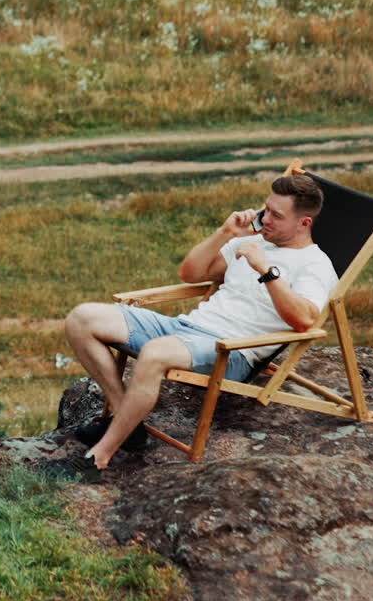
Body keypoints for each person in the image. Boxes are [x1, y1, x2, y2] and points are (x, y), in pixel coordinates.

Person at [62, 172, 338, 471]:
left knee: (155, 353)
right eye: (266, 209)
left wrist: (265, 270)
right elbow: (191, 273)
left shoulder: (315, 264)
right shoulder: (254, 241)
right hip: (188, 328)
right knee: (82, 318)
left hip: (231, 351)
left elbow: (304, 320)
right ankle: (125, 417)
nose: (265, 218)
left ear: (304, 223)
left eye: (276, 215)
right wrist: (226, 232)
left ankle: (102, 453)